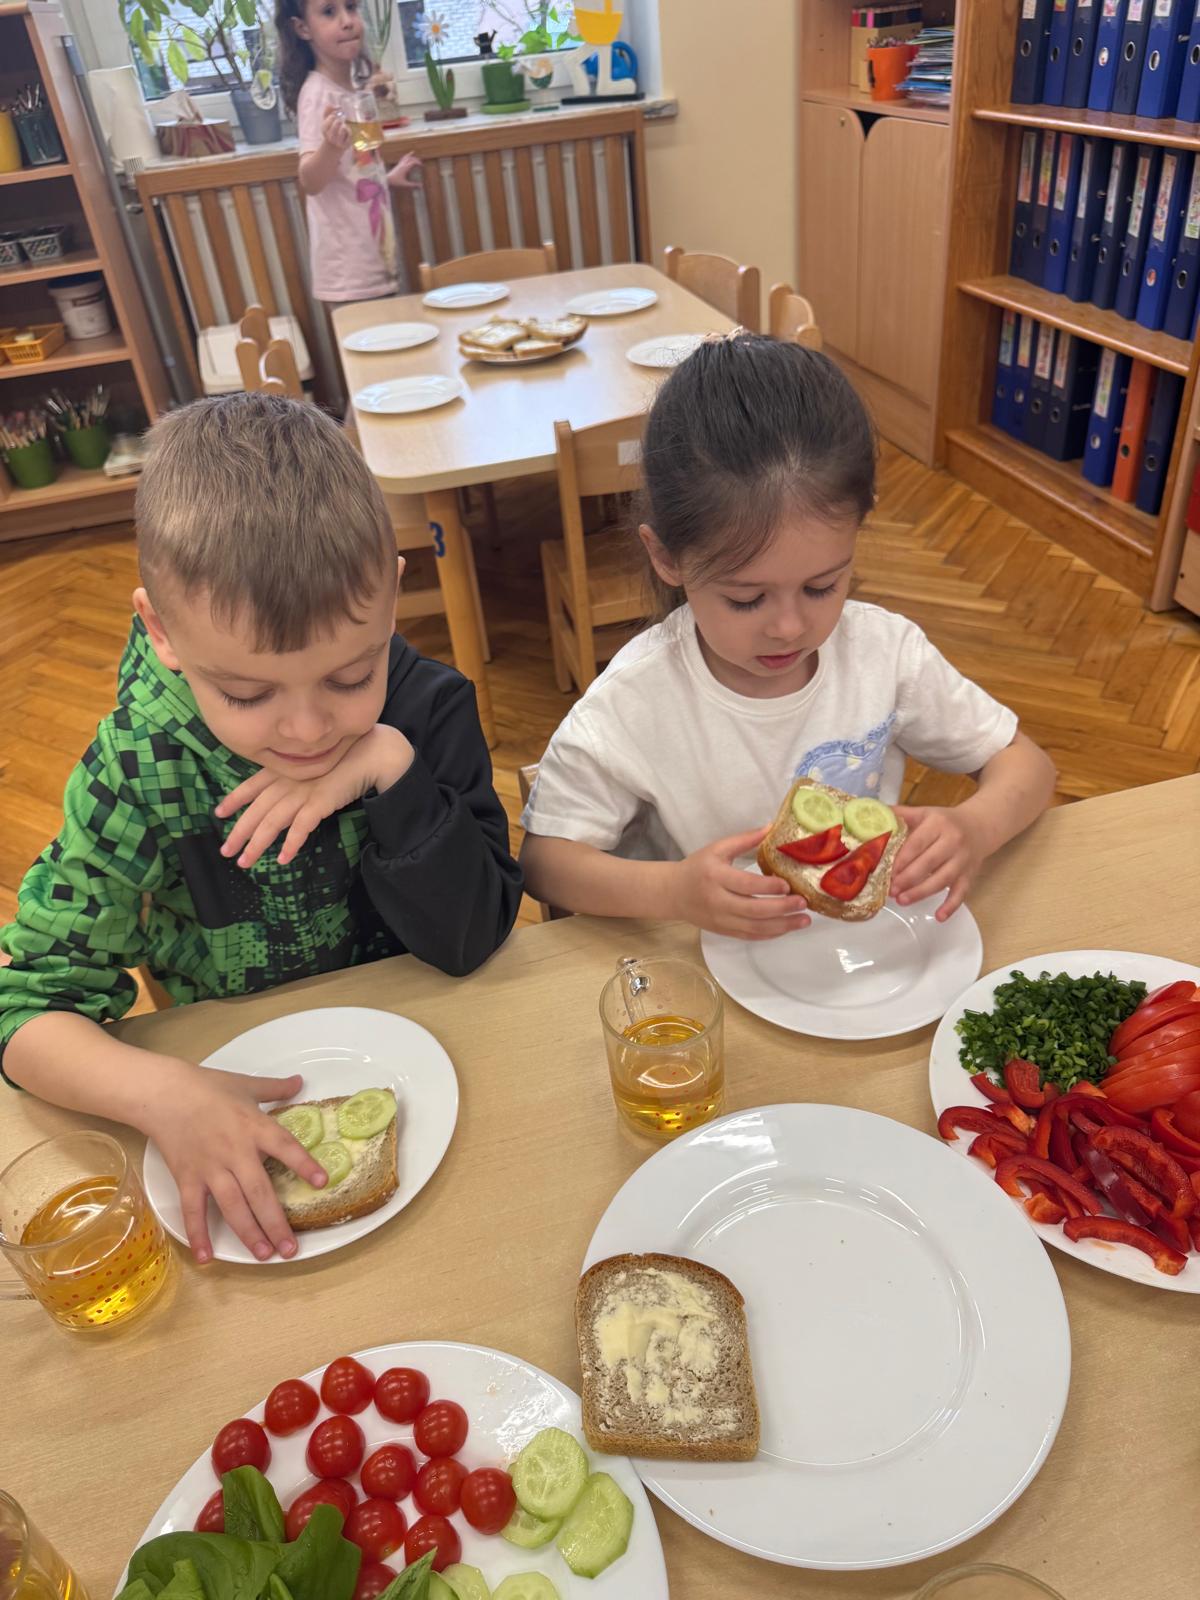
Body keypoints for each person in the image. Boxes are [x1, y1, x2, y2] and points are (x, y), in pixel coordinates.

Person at [0, 394, 522, 1263]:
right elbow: (25, 1012)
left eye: (350, 678)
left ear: (393, 596)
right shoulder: (137, 770)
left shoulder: (427, 711)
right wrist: (162, 1094)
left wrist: (393, 771)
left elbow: (479, 934)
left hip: (443, 1064)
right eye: (246, 694)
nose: (309, 731)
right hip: (234, 1095)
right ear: (161, 631)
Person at [520, 335, 1056, 936]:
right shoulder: (635, 701)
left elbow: (1027, 766)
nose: (790, 628)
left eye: (822, 587)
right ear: (667, 557)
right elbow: (544, 864)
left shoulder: (884, 653)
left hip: (858, 952)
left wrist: (975, 828)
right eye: (746, 599)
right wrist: (673, 890)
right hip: (703, 960)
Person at [276, 0, 422, 305]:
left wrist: (384, 179)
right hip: (349, 275)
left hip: (375, 263)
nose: (347, 21)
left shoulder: (356, 91)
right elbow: (310, 181)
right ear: (302, 28)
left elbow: (358, 166)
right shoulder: (317, 95)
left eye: (352, 7)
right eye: (329, 12)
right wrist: (330, 147)